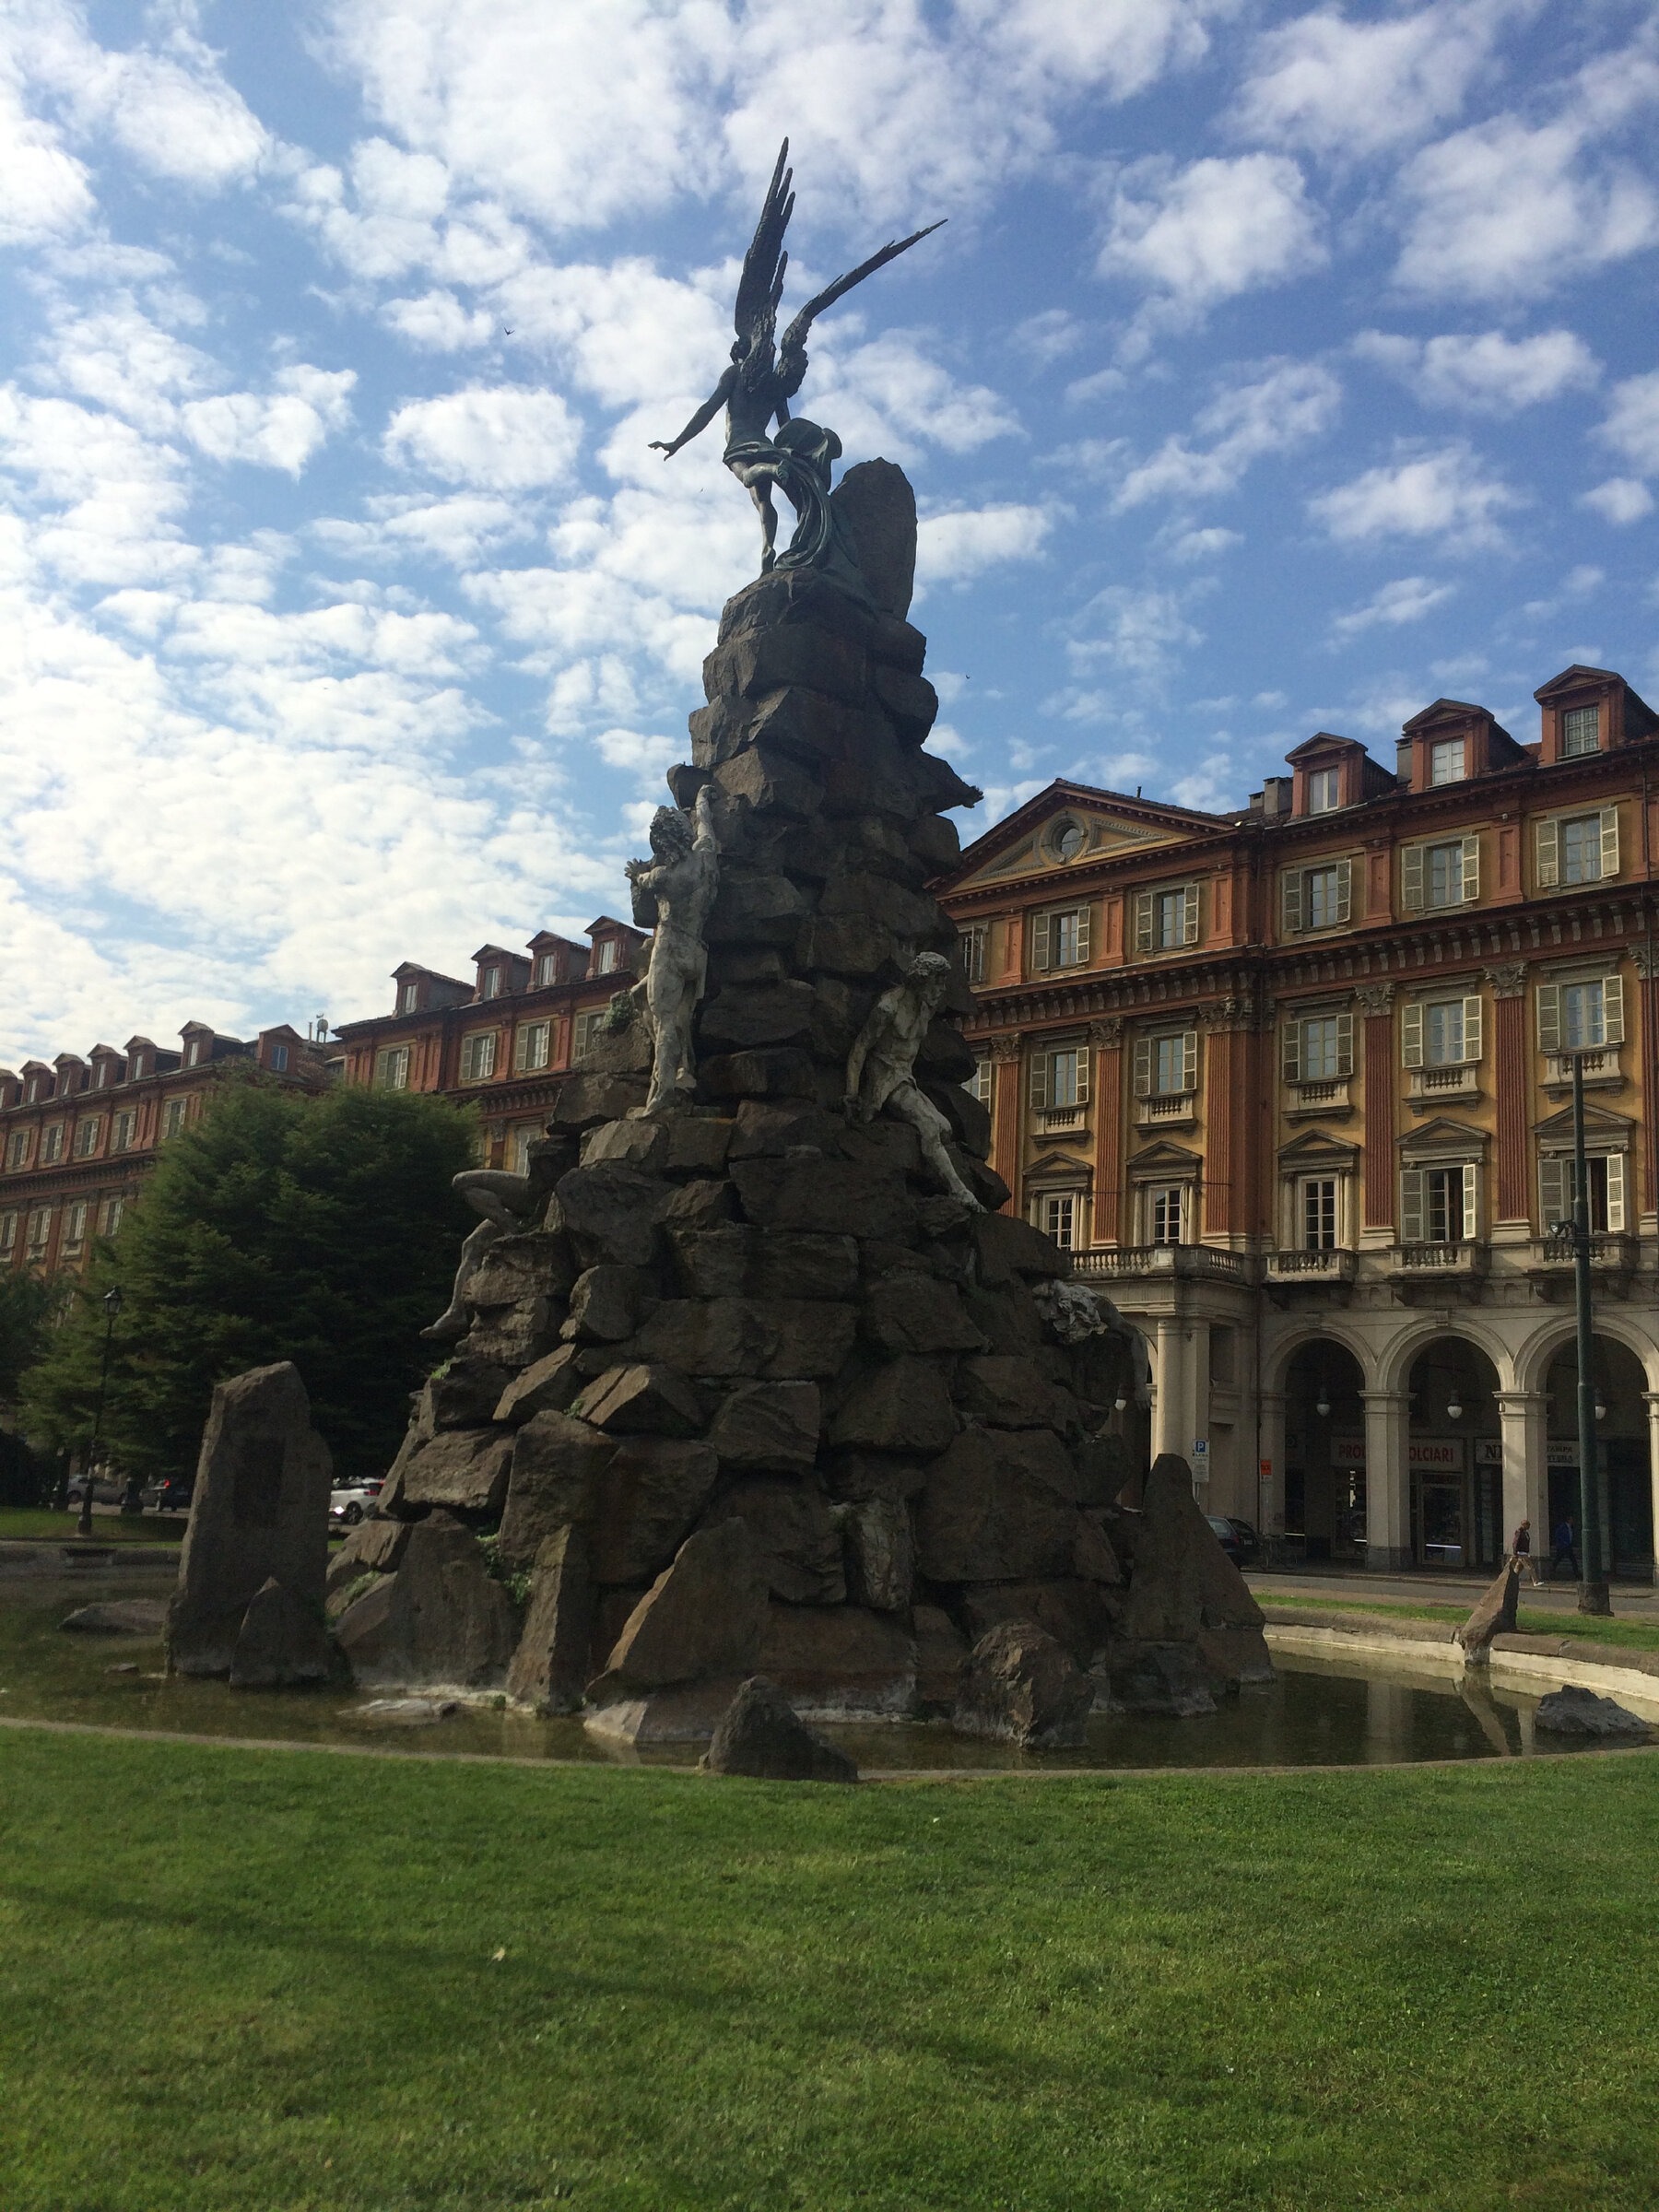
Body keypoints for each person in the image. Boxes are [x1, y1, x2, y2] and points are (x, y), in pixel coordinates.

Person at [1510, 1517, 1540, 1587]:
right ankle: (1535, 1582)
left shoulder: (1525, 1533)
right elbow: (1515, 1543)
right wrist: (1515, 1552)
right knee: (1530, 1567)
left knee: (1518, 1569)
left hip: (1524, 1552)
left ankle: (1512, 1582)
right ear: (1524, 1525)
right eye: (1528, 1525)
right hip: (1521, 1553)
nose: (1529, 1527)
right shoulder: (1519, 1532)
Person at [1551, 1515, 1581, 1581]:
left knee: (1573, 1560)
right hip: (1563, 1546)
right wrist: (1562, 1543)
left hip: (1568, 1546)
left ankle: (1576, 1573)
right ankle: (1552, 1570)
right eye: (1571, 1520)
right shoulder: (1562, 1527)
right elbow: (1557, 1535)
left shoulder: (1570, 1527)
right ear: (1569, 1520)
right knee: (1558, 1558)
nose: (1572, 1521)